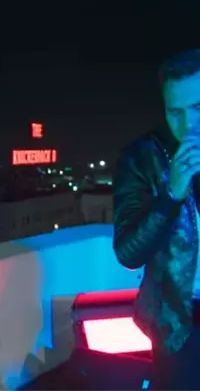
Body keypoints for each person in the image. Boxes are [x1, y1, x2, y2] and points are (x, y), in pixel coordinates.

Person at [113, 48, 200, 390]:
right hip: (179, 324)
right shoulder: (142, 158)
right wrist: (172, 194)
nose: (188, 125)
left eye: (199, 108)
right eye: (175, 112)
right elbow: (128, 253)